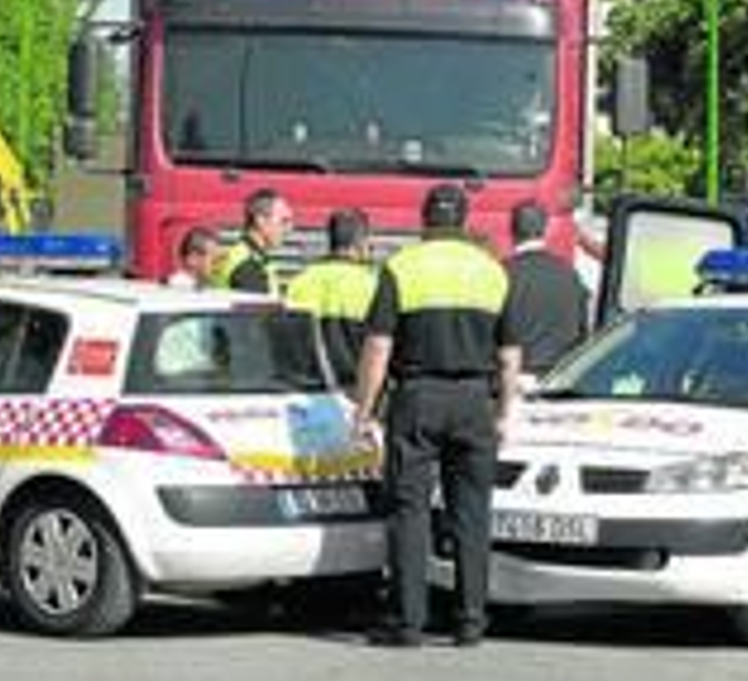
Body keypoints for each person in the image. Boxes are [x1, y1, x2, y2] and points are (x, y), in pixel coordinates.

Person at [352, 183, 521, 648]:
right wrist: (506, 411)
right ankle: (470, 621)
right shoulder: (492, 272)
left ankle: (408, 622)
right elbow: (509, 355)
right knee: (471, 512)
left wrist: (364, 411)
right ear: (466, 222)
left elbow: (378, 346)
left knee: (410, 510)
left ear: (423, 221)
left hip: (417, 398)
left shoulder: (402, 268)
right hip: (474, 402)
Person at [286, 208, 377, 386]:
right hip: (354, 389)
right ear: (359, 243)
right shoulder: (371, 285)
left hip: (309, 389)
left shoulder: (300, 281)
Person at [504, 201, 588, 389]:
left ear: (512, 230)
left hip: (515, 378)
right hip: (559, 377)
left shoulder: (503, 273)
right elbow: (582, 331)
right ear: (545, 230)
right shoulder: (569, 274)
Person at [213, 188, 292, 294]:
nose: (289, 229)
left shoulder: (242, 256)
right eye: (284, 221)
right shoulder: (249, 268)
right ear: (260, 220)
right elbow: (261, 309)